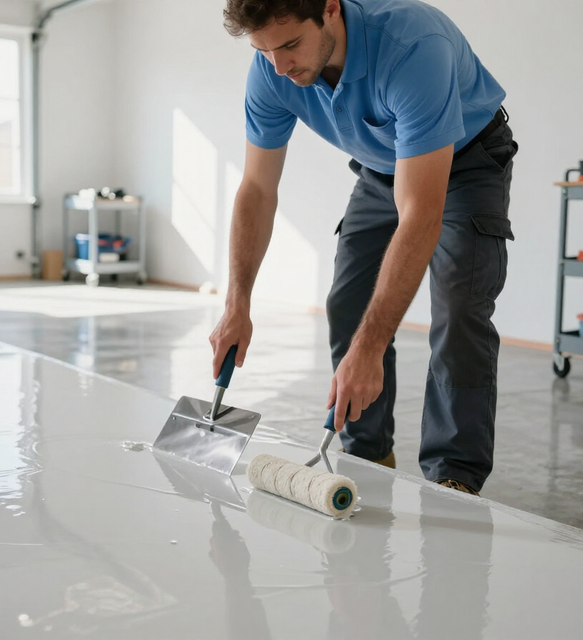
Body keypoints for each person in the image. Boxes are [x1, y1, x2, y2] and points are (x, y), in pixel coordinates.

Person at [209, 0, 518, 495]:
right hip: (382, 168)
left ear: (330, 9)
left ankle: (454, 478)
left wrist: (372, 346)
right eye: (263, 51)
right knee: (348, 304)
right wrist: (236, 302)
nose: (280, 67)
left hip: (467, 161)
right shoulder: (271, 69)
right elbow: (257, 189)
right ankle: (368, 456)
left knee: (459, 305)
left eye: (290, 45)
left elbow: (420, 214)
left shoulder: (414, 47)